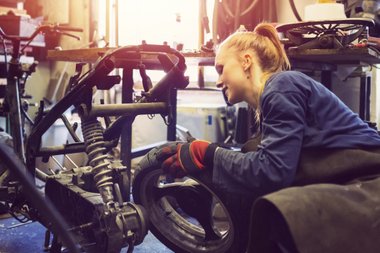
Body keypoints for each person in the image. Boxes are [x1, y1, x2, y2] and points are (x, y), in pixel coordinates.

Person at [154, 23, 380, 252]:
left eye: (221, 68)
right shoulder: (273, 96)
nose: (219, 81)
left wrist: (209, 153)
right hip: (349, 176)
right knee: (251, 150)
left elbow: (273, 172)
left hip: (370, 181)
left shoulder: (282, 86)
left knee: (275, 212)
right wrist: (212, 154)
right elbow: (267, 161)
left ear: (246, 61)